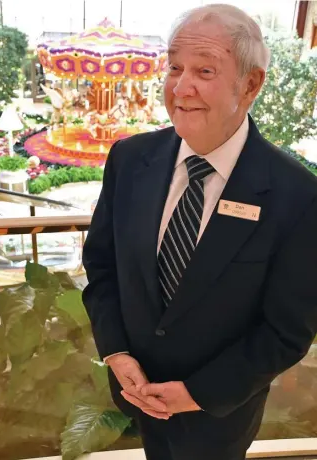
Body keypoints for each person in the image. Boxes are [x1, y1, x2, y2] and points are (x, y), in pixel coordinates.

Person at [82, 4, 317, 460]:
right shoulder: (130, 161)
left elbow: (286, 331)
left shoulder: (297, 195)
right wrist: (117, 353)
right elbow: (102, 266)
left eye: (204, 70)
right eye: (174, 67)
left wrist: (195, 393)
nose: (181, 87)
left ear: (250, 85)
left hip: (219, 414)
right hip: (138, 394)